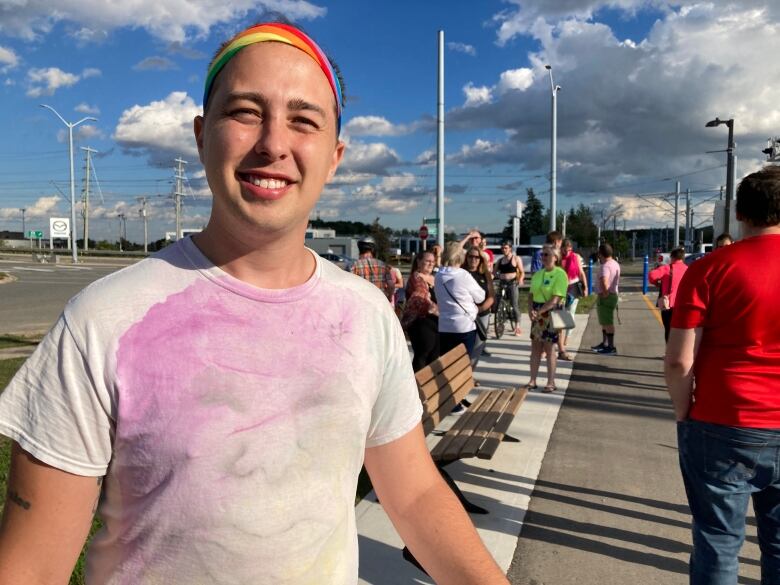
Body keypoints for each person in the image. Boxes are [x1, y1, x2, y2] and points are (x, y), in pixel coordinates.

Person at [0, 22, 508, 585]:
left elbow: (412, 492)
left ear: (335, 156)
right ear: (201, 136)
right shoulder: (102, 321)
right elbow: (34, 566)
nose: (273, 143)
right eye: (244, 111)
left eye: (303, 120)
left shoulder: (366, 316)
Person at [666, 165, 780, 584]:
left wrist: (684, 412)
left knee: (718, 541)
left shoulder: (709, 269)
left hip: (722, 419)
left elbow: (680, 360)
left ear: (740, 213)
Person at [523, 244, 568, 393]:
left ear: (555, 258)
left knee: (549, 349)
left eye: (547, 255)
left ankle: (550, 382)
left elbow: (555, 299)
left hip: (551, 313)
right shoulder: (537, 274)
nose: (543, 257)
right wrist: (530, 310)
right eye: (542, 255)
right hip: (538, 313)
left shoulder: (560, 274)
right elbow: (530, 295)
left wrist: (539, 312)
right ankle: (532, 380)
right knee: (535, 348)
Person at [434, 241, 486, 358]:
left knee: (447, 363)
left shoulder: (438, 276)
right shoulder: (463, 275)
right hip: (464, 325)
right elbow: (480, 297)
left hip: (444, 325)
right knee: (462, 364)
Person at [401, 251, 440, 371]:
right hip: (420, 323)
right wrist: (439, 311)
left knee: (434, 355)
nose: (431, 264)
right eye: (427, 261)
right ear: (418, 261)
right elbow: (422, 298)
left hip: (437, 323)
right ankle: (417, 386)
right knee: (422, 354)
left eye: (433, 261)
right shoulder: (416, 277)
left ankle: (429, 387)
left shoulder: (436, 278)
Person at [463, 248, 495, 369]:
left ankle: (470, 373)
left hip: (482, 313)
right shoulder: (462, 272)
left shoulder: (485, 274)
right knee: (465, 346)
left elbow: (491, 296)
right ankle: (464, 373)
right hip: (465, 315)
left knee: (478, 345)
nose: (473, 259)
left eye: (477, 257)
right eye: (471, 256)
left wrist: (480, 309)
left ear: (481, 260)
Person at [648, 246, 688, 342]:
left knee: (669, 329)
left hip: (668, 304)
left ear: (672, 257)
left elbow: (651, 275)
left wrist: (656, 283)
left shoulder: (667, 268)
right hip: (683, 305)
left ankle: (669, 353)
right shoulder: (688, 269)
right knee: (681, 330)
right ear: (682, 258)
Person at [559, 238, 587, 360]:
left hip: (574, 286)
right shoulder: (558, 257)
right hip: (561, 288)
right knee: (561, 313)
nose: (567, 250)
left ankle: (567, 336)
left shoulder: (576, 257)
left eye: (569, 248)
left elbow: (581, 273)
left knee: (571, 313)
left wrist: (585, 287)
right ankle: (560, 335)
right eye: (565, 248)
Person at [591, 243, 620, 355]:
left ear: (600, 254)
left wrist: (605, 293)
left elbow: (604, 281)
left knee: (607, 322)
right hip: (612, 295)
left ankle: (611, 347)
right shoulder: (615, 263)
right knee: (604, 321)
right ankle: (605, 343)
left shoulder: (605, 266)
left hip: (606, 296)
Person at [350, 235, 394, 301]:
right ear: (373, 249)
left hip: (362, 302)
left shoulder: (354, 266)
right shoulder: (383, 265)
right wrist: (389, 298)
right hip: (380, 302)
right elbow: (391, 285)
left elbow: (348, 286)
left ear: (360, 248)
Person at [495, 240, 524, 335]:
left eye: (506, 248)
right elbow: (494, 273)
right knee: (498, 302)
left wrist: (520, 279)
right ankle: (500, 320)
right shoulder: (500, 260)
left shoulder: (516, 258)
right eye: (502, 248)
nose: (504, 250)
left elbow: (522, 271)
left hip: (512, 283)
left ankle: (517, 326)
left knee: (514, 304)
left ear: (510, 248)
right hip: (502, 283)